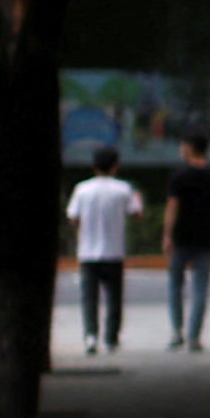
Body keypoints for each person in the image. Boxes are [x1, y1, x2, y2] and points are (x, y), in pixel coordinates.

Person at [65, 148, 137, 355]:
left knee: (89, 298)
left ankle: (90, 336)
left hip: (88, 252)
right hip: (114, 251)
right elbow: (135, 213)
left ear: (94, 166)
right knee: (114, 297)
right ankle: (111, 338)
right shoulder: (123, 189)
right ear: (115, 166)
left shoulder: (82, 189)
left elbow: (73, 217)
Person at [165, 136, 210, 351]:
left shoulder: (179, 176)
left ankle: (177, 331)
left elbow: (172, 207)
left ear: (189, 148)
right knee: (200, 288)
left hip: (181, 238)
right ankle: (194, 337)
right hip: (207, 237)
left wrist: (167, 235)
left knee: (175, 285)